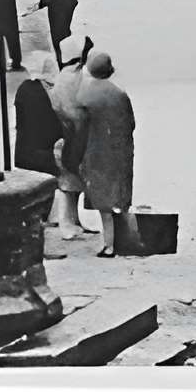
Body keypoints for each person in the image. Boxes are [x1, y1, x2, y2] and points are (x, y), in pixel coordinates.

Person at [64, 50, 135, 258]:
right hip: (120, 150)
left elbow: (78, 127)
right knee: (119, 196)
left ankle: (109, 245)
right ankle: (124, 238)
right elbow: (131, 124)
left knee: (103, 201)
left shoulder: (84, 96)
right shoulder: (120, 94)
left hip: (96, 152)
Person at [49, 38, 97, 240]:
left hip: (68, 132)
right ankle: (67, 222)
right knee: (69, 181)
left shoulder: (64, 75)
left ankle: (73, 220)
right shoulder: (74, 78)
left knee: (73, 180)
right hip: (73, 134)